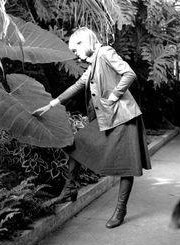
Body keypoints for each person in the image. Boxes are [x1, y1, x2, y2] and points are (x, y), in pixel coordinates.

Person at [32, 27, 151, 229]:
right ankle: (70, 188)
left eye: (76, 50)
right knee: (77, 144)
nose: (75, 54)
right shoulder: (95, 62)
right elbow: (79, 84)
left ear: (84, 43)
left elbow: (128, 74)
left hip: (124, 116)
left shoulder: (105, 53)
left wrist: (113, 97)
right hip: (108, 117)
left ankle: (120, 210)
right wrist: (52, 104)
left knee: (127, 165)